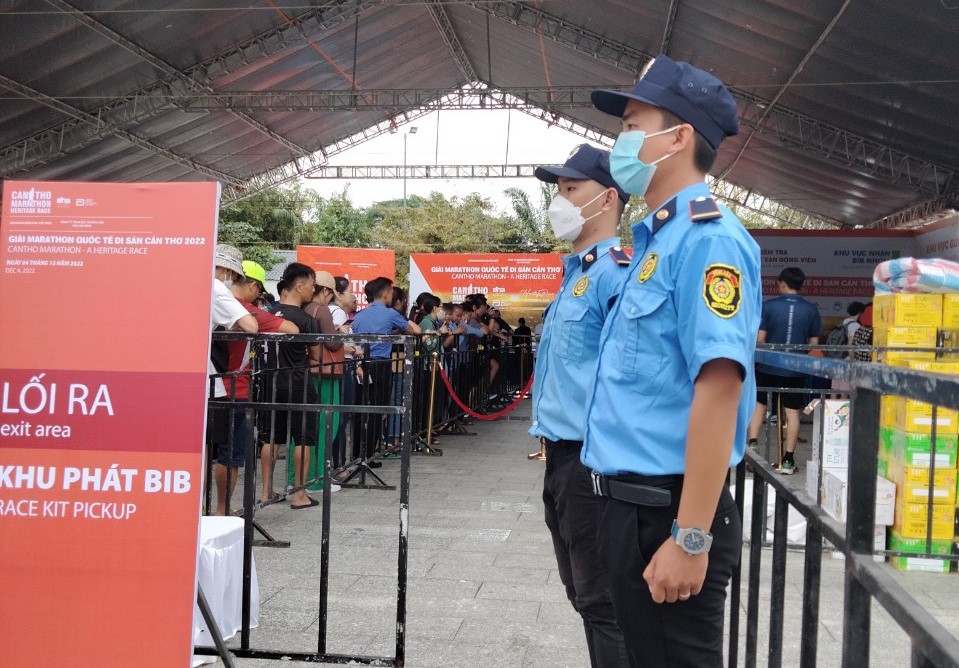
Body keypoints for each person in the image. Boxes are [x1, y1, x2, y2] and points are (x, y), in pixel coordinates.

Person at [583, 55, 760, 666]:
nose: (621, 140)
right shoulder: (657, 241)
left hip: (668, 513)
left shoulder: (709, 239)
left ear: (679, 137)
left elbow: (720, 389)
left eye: (633, 124)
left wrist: (690, 537)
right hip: (631, 507)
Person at [529, 143, 632, 668]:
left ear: (608, 198)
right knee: (584, 596)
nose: (560, 201)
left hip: (594, 461)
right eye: (558, 190)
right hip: (562, 459)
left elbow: (630, 376)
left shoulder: (615, 273)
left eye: (572, 189)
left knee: (604, 603)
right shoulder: (576, 273)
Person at [215, 260, 299, 515]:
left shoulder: (209, 301)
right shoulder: (246, 311)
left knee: (209, 452)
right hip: (235, 389)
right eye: (259, 291)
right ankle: (222, 511)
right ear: (252, 286)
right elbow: (292, 329)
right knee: (230, 456)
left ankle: (207, 510)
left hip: (208, 387)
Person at [747, 267, 822, 474]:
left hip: (769, 366)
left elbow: (760, 339)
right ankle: (788, 461)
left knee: (759, 406)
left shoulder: (769, 306)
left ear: (781, 283)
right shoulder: (811, 310)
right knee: (792, 412)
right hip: (795, 369)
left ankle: (752, 450)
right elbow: (814, 344)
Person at [259, 262, 322, 509]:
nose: (313, 290)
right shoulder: (306, 320)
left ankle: (266, 492)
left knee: (271, 438)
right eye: (312, 285)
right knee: (304, 438)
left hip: (270, 382)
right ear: (299, 286)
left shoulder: (267, 315)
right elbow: (316, 355)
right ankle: (299, 494)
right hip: (298, 383)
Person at [351, 277, 421, 466]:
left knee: (359, 409)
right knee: (378, 410)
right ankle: (368, 455)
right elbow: (413, 330)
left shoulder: (360, 316)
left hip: (360, 364)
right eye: (390, 292)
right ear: (385, 293)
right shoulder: (390, 314)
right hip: (381, 365)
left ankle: (356, 454)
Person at [298, 270, 344, 494]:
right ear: (325, 291)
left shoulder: (304, 308)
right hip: (324, 374)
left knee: (302, 429)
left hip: (305, 371)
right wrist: (340, 333)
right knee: (327, 425)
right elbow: (332, 343)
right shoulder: (322, 309)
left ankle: (297, 479)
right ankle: (317, 478)